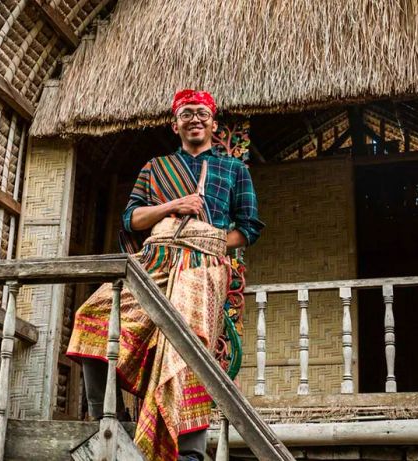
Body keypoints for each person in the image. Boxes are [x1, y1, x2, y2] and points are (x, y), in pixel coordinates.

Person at [66, 89, 264, 461]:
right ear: (175, 124)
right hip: (153, 259)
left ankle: (188, 446)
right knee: (91, 315)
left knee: (186, 344)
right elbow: (132, 219)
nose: (194, 119)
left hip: (201, 266)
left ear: (213, 123)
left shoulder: (234, 170)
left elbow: (249, 228)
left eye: (201, 113)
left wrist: (213, 240)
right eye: (186, 114)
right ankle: (107, 415)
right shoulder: (154, 168)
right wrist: (175, 205)